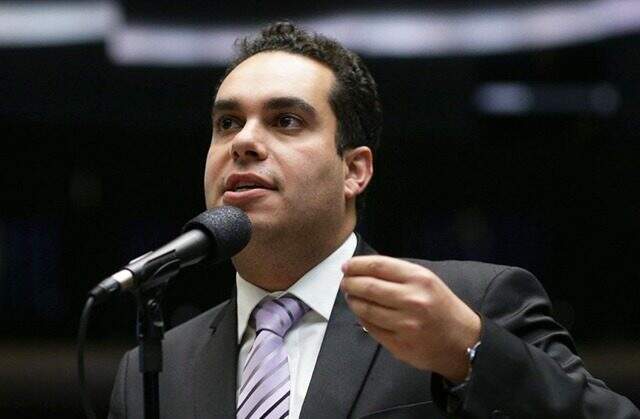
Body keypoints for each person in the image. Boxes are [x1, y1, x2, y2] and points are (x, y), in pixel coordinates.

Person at [109, 22, 639, 418]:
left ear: (354, 170)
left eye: (285, 120)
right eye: (227, 123)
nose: (243, 141)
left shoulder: (471, 303)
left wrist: (469, 352)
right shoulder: (152, 370)